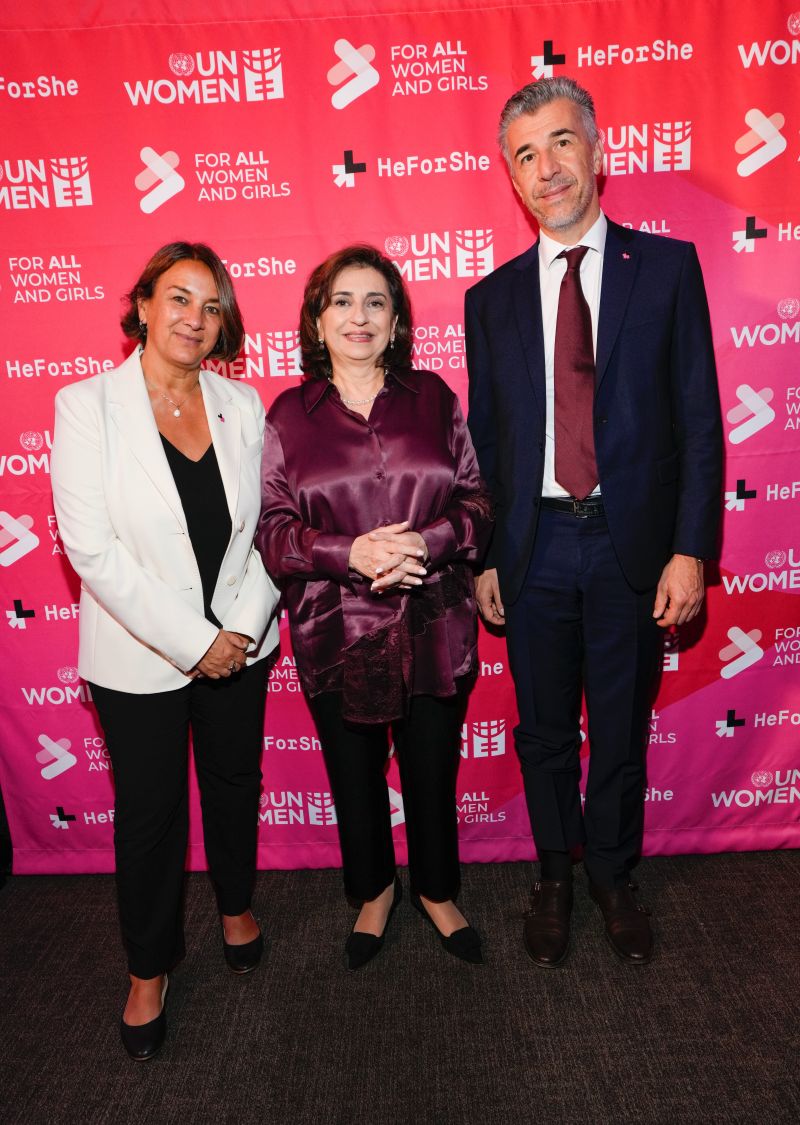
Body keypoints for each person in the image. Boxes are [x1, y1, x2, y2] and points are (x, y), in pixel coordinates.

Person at [465, 78, 722, 967]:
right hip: (533, 547)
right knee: (542, 731)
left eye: (562, 143)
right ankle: (553, 877)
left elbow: (699, 421)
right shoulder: (491, 299)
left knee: (619, 727)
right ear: (512, 178)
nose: (548, 167)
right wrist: (487, 556)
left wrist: (690, 549)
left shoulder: (668, 269)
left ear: (598, 152)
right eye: (526, 155)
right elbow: (488, 441)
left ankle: (613, 874)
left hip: (630, 547)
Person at [51, 242, 280, 1059]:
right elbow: (92, 549)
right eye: (179, 297)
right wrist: (195, 643)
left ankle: (235, 905)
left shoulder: (243, 403)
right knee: (151, 814)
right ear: (143, 305)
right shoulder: (87, 405)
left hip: (241, 641)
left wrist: (238, 631)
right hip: (138, 655)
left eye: (212, 305)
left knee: (234, 783)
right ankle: (149, 966)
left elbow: (272, 526)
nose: (195, 317)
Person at [257, 244, 492, 970]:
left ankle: (437, 890)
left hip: (434, 620)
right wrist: (349, 553)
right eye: (342, 302)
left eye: (375, 302)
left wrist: (425, 541)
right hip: (337, 629)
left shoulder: (434, 399)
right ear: (317, 321)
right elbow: (273, 531)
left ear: (395, 323)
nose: (358, 317)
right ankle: (373, 891)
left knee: (432, 768)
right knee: (354, 777)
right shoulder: (289, 416)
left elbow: (477, 502)